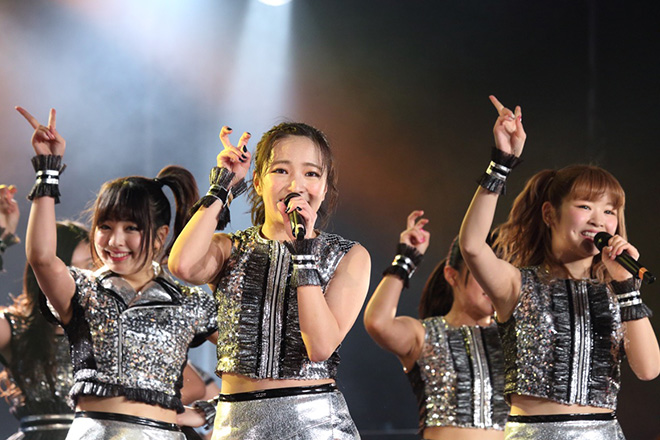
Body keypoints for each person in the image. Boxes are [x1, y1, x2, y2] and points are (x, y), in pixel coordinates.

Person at [458, 96, 660, 439]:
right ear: (550, 214)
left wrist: (627, 287)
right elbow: (472, 246)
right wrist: (502, 163)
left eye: (609, 211)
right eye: (585, 206)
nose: (599, 220)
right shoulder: (517, 284)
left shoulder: (618, 292)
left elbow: (648, 369)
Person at [17, 106, 218, 440]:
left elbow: (252, 361)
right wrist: (47, 169)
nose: (115, 241)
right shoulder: (83, 290)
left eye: (131, 228)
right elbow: (42, 258)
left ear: (160, 236)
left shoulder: (190, 302)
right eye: (105, 227)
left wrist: (207, 411)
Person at [169, 122, 371, 439]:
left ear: (325, 188)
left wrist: (304, 252)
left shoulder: (348, 255)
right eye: (280, 170)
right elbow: (182, 265)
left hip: (315, 426)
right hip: (238, 425)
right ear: (258, 182)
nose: (296, 184)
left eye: (311, 173)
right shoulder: (230, 248)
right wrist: (223, 186)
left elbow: (320, 347)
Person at [364, 211, 506, 440]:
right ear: (452, 275)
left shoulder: (512, 338)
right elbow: (378, 323)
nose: (492, 281)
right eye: (481, 271)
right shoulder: (423, 334)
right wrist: (405, 260)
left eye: (499, 272)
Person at [0, 190, 90, 440]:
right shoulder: (16, 327)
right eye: (83, 267)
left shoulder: (110, 326)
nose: (91, 277)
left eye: (94, 266)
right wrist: (1, 241)